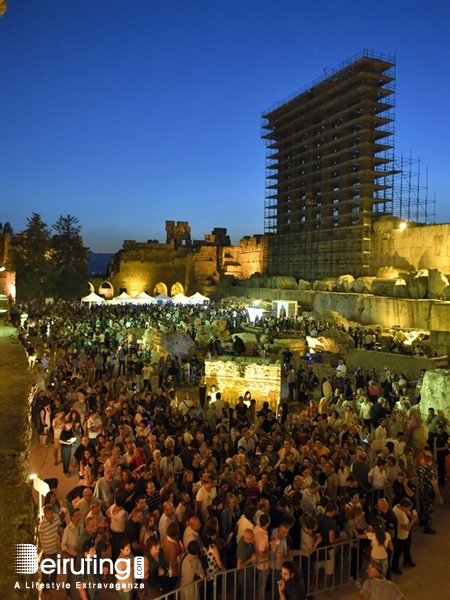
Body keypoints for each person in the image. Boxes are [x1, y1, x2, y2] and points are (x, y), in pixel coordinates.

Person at [417, 454, 443, 534]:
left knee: (422, 506)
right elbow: (434, 484)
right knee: (429, 509)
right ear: (431, 461)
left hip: (421, 491)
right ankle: (427, 527)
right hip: (428, 492)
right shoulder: (431, 471)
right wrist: (439, 496)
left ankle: (422, 520)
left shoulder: (420, 469)